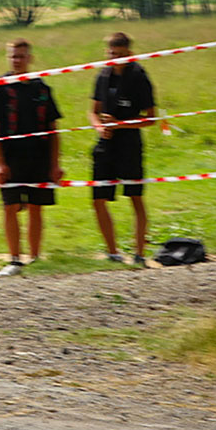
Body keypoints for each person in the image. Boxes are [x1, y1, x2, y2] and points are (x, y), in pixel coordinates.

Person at [0, 40, 62, 277]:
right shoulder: (0, 88)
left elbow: (54, 130)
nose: (17, 60)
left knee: (37, 207)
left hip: (39, 157)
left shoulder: (42, 88)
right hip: (11, 158)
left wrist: (55, 164)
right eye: (13, 56)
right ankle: (14, 259)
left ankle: (35, 258)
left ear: (30, 58)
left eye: (21, 56)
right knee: (10, 206)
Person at [89, 32, 156, 267]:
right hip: (106, 145)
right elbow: (93, 110)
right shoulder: (103, 75)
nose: (114, 58)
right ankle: (113, 252)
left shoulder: (139, 77)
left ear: (129, 53)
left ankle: (139, 253)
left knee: (135, 197)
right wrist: (100, 127)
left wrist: (120, 124)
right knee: (98, 199)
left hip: (130, 144)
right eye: (111, 54)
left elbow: (151, 119)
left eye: (119, 54)